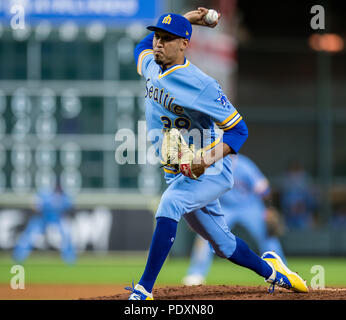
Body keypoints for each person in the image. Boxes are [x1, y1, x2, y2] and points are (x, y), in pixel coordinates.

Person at [127, 8, 308, 300]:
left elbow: (239, 131)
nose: (158, 43)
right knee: (223, 245)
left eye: (168, 38)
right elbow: (141, 47)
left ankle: (143, 290)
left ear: (184, 44)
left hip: (211, 171)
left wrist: (204, 160)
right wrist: (187, 19)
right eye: (157, 37)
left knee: (170, 204)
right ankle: (274, 272)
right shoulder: (150, 65)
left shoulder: (202, 84)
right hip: (179, 172)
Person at [183, 154, 287, 286]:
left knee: (267, 236)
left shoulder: (244, 165)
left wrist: (269, 209)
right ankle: (196, 273)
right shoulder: (212, 166)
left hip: (250, 206)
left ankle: (282, 272)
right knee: (205, 236)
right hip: (224, 207)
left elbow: (263, 188)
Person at [12, 182, 76, 264]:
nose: (58, 190)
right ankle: (18, 257)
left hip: (57, 220)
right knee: (29, 235)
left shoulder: (65, 197)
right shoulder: (45, 195)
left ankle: (70, 259)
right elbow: (33, 205)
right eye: (57, 188)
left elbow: (70, 209)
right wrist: (38, 207)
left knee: (66, 234)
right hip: (42, 219)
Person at [280, 160, 316, 230]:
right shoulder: (285, 178)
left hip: (304, 213)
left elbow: (312, 201)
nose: (294, 171)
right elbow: (283, 200)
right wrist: (292, 207)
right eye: (293, 168)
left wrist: (302, 205)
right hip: (289, 214)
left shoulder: (305, 178)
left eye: (296, 168)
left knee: (307, 225)